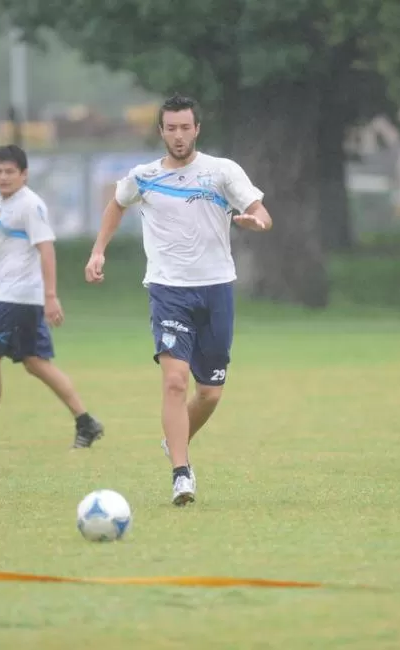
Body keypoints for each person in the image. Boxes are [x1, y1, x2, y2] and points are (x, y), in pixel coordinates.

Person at [84, 94, 272, 505]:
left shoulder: (221, 172)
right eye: (171, 128)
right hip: (168, 290)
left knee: (210, 393)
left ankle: (176, 440)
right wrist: (99, 250)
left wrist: (255, 221)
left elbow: (262, 212)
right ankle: (181, 474)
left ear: (197, 129)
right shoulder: (144, 176)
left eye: (186, 127)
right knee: (174, 381)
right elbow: (116, 204)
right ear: (161, 131)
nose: (179, 135)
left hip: (217, 288)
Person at [0, 144, 104, 450]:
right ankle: (86, 422)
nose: (3, 177)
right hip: (15, 298)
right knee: (35, 363)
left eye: (10, 172)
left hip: (15, 299)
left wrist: (51, 296)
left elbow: (46, 249)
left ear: (24, 174)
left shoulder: (30, 205)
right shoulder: (5, 205)